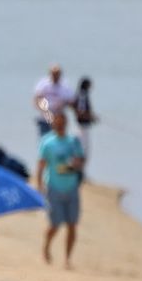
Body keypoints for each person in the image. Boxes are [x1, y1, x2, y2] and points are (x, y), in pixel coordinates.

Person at [36, 112, 85, 268]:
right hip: (53, 187)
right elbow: (41, 164)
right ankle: (46, 247)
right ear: (53, 124)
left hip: (71, 187)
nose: (60, 125)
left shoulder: (73, 141)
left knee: (72, 224)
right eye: (57, 122)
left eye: (62, 122)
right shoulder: (47, 142)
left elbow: (80, 160)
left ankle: (67, 259)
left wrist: (75, 165)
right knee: (55, 224)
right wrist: (39, 185)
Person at [32, 64, 73, 137]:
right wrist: (44, 110)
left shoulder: (65, 86)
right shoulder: (43, 84)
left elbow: (71, 101)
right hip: (44, 118)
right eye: (53, 73)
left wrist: (62, 104)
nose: (55, 76)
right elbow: (37, 99)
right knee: (44, 138)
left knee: (58, 139)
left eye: (57, 74)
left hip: (58, 119)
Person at [73, 77, 97, 156]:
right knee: (83, 149)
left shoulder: (81, 94)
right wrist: (91, 117)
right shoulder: (82, 95)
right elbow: (80, 111)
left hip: (82, 125)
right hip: (82, 126)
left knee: (83, 147)